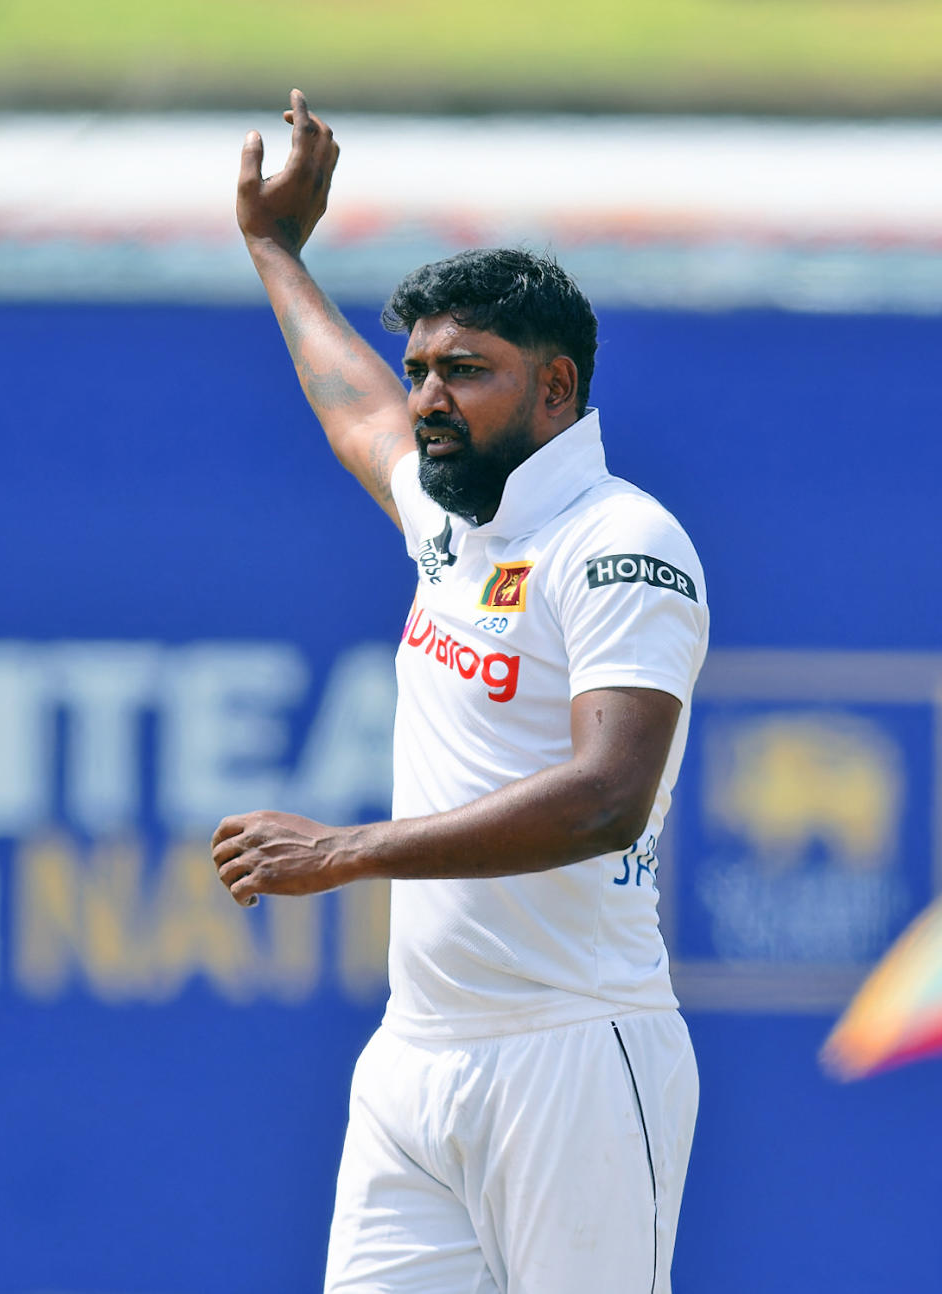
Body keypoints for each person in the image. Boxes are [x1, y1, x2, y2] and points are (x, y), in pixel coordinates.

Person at [212, 90, 709, 1294]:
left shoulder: (621, 541)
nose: (428, 398)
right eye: (422, 369)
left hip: (578, 1051)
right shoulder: (455, 517)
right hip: (417, 1058)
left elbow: (607, 797)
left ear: (556, 387)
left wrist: (349, 852)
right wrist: (274, 248)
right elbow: (353, 410)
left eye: (465, 372)